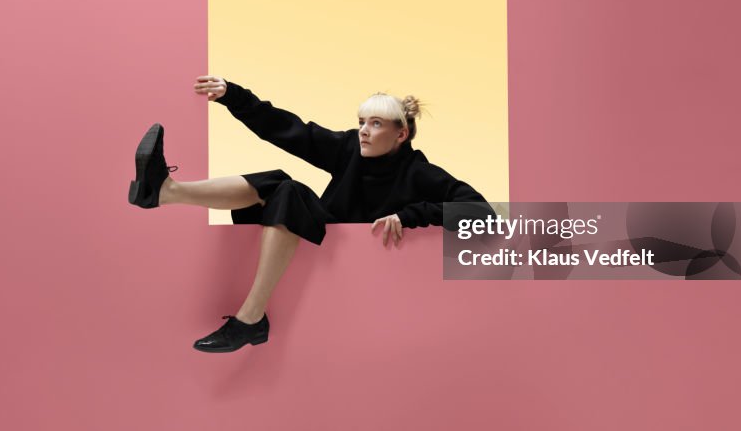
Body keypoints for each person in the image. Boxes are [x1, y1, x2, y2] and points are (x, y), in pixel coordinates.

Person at [128, 75, 489, 353]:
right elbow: (289, 131)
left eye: (376, 124)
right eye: (362, 121)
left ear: (401, 134)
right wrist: (232, 95)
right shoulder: (348, 147)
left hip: (343, 263)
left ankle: (251, 315)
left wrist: (410, 215)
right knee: (279, 182)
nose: (363, 131)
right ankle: (166, 192)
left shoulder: (419, 171)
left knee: (289, 190)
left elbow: (482, 213)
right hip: (309, 237)